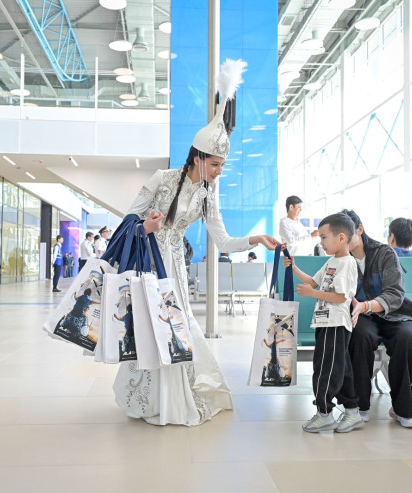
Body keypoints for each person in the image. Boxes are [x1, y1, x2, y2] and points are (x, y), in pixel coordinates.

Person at [112, 58, 280, 426]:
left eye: (222, 166)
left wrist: (256, 239)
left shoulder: (207, 194)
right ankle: (149, 400)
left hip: (175, 268)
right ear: (198, 158)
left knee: (177, 327)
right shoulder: (162, 178)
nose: (219, 172)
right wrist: (146, 228)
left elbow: (224, 241)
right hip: (148, 266)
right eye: (216, 164)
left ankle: (176, 399)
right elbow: (127, 219)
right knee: (150, 328)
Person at [341, 209, 412, 429]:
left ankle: (402, 408)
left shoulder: (384, 253)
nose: (342, 240)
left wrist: (367, 305)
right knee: (359, 335)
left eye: (347, 234)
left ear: (360, 229)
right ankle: (360, 406)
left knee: (407, 338)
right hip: (362, 316)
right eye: (338, 236)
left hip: (395, 313)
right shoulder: (340, 259)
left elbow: (395, 293)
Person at [285, 213, 363, 433]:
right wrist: (293, 268)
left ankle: (324, 413)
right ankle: (352, 411)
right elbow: (312, 281)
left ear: (341, 237)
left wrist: (313, 294)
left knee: (325, 369)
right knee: (340, 368)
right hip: (325, 323)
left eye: (324, 237)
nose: (321, 242)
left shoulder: (347, 264)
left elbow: (341, 297)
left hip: (336, 324)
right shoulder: (332, 261)